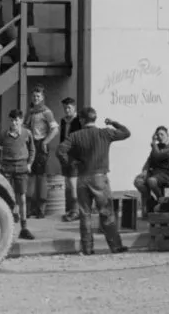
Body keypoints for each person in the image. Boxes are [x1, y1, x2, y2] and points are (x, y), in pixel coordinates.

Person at [56, 107, 131, 255]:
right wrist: (113, 123)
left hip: (82, 178)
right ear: (94, 118)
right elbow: (126, 133)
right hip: (100, 177)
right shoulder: (105, 133)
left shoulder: (75, 136)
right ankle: (115, 246)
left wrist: (70, 163)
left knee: (85, 214)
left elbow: (60, 151)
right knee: (106, 213)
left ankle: (87, 248)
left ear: (82, 120)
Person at [0, 109, 36, 240]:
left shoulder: (27, 133)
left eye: (17, 120)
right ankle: (4, 228)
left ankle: (24, 228)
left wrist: (29, 164)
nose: (14, 123)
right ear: (9, 121)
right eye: (12, 120)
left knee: (22, 197)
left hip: (21, 167)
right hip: (6, 168)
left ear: (21, 120)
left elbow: (32, 149)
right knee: (6, 196)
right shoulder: (3, 135)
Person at [25, 86, 59, 218]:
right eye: (34, 96)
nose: (35, 98)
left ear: (43, 97)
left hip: (40, 145)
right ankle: (29, 208)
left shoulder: (46, 112)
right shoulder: (31, 111)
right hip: (31, 144)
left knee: (40, 177)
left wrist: (45, 142)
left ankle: (40, 209)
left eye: (38, 96)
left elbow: (55, 129)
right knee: (30, 176)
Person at [133, 126, 169, 215]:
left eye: (162, 134)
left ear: (167, 135)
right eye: (158, 134)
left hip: (165, 174)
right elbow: (150, 159)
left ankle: (160, 199)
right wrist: (145, 170)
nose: (160, 136)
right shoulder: (157, 146)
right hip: (154, 172)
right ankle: (150, 199)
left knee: (151, 181)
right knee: (138, 181)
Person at [59, 97, 83, 222]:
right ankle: (70, 210)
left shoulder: (78, 120)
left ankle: (77, 210)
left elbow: (81, 139)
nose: (66, 110)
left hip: (75, 155)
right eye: (65, 108)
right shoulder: (63, 121)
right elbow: (62, 138)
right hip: (65, 154)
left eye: (69, 107)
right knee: (68, 183)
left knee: (74, 184)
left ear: (74, 108)